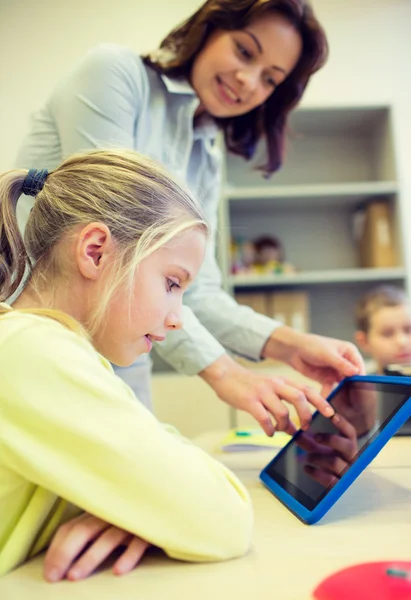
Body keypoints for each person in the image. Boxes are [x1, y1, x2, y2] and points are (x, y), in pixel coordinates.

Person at [14, 0, 364, 432]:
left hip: (116, 355)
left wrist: (290, 345)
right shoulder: (113, 74)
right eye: (244, 51)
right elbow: (125, 259)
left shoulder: (206, 154)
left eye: (270, 79)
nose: (248, 80)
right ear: (210, 28)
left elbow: (198, 292)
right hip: (36, 337)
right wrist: (225, 373)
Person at [0, 149, 262, 580]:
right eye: (172, 282)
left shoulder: (49, 349)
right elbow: (226, 520)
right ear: (96, 252)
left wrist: (139, 509)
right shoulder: (35, 354)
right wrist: (160, 507)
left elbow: (160, 449)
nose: (177, 317)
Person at [354, 285, 411, 375]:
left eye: (408, 330)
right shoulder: (360, 388)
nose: (402, 342)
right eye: (387, 334)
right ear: (364, 341)